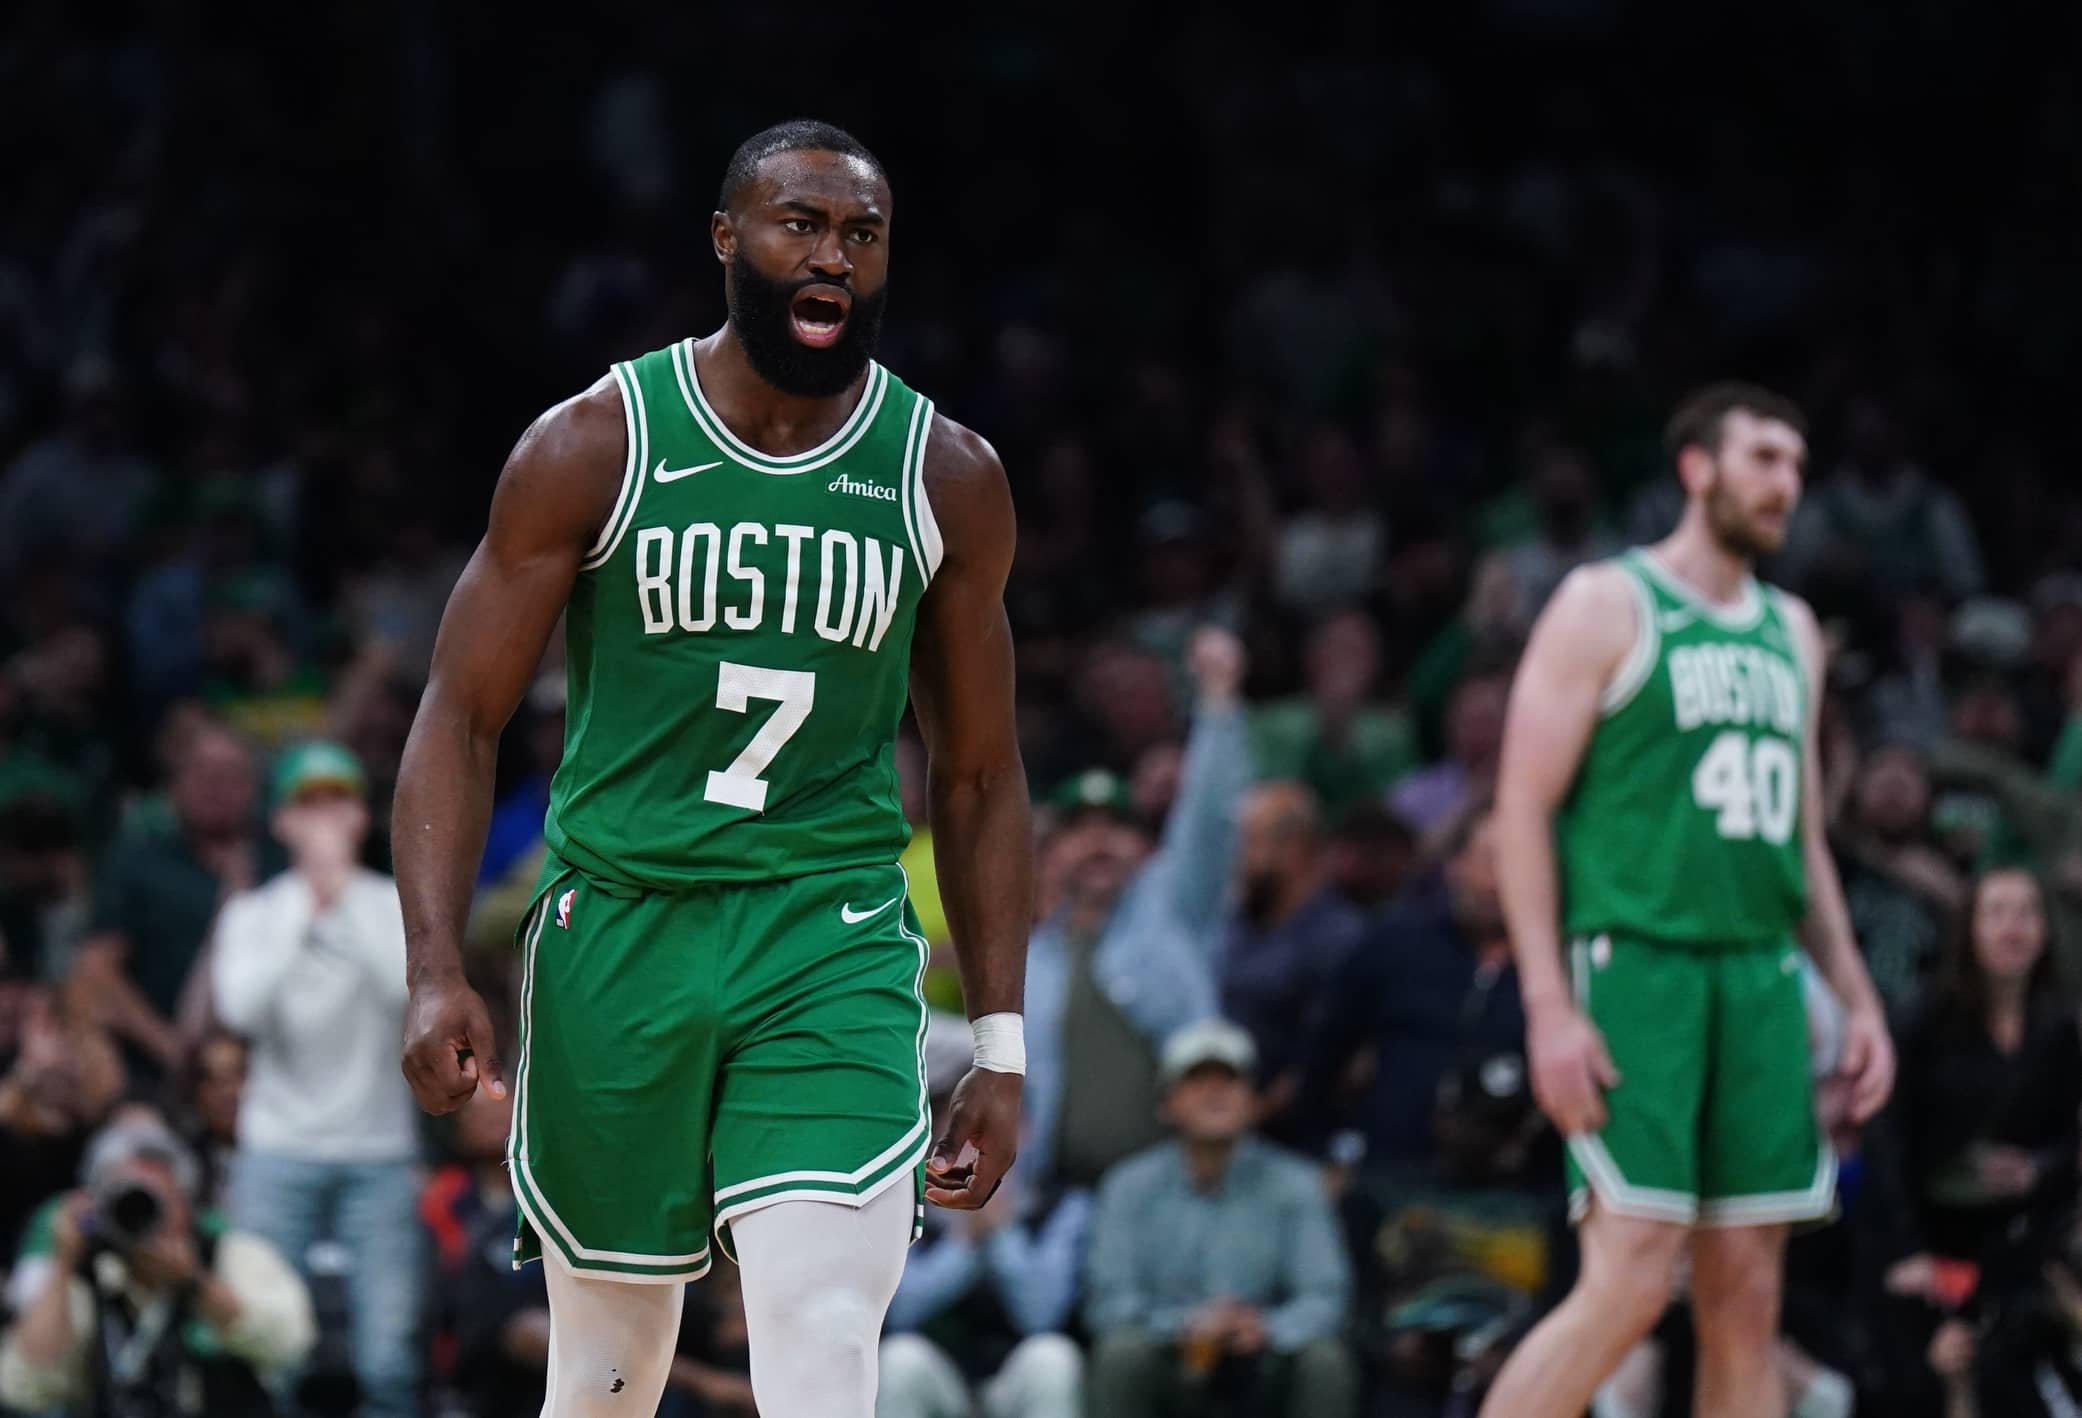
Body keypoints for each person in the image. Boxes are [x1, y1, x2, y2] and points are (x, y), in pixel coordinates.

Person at [393, 120, 1030, 1418]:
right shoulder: (593, 446)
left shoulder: (945, 475)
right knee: (607, 1381)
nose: (833, 257)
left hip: (825, 930)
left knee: (822, 1323)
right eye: (801, 223)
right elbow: (458, 719)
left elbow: (976, 775)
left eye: (862, 234)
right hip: (623, 927)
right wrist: (430, 964)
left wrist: (1006, 1045)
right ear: (727, 240)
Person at [1479, 383, 1896, 1418]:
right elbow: (1522, 810)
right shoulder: (1604, 603)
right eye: (1762, 456)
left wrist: (1855, 993)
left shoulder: (1794, 630)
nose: (1784, 483)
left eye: (1796, 464)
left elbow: (1802, 836)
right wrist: (1546, 1004)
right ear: (1696, 468)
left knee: (1748, 1298)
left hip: (1760, 971)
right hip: (1639, 963)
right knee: (1626, 1280)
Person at [213, 740, 424, 1418]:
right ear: (281, 822)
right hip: (276, 1149)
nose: (325, 818)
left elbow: (405, 994)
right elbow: (239, 1010)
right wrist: (308, 904)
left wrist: (342, 891)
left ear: (362, 815)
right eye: (309, 804)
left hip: (379, 1154)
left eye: (339, 800)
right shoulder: (254, 914)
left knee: (388, 1360)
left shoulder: (394, 903)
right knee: (267, 1347)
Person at [1023, 627, 1251, 1194]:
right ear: (1050, 853)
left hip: (1175, 1187)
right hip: (1060, 1194)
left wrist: (1218, 700)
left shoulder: (1172, 906)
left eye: (1116, 828)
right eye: (1079, 830)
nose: (1099, 843)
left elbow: (1211, 819)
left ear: (1142, 847)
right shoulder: (1029, 958)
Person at [1084, 1019, 1358, 1418]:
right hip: (1171, 1359)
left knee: (1325, 1360)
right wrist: (1186, 1325)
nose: (1215, 1091)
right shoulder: (1128, 1186)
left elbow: (1326, 1296)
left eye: (1229, 1080)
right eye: (1197, 1080)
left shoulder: (1298, 1183)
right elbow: (1108, 1302)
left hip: (1263, 1364)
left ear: (1252, 1099)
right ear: (1166, 1103)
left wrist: (1267, 1328)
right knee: (1121, 1353)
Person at [0, 1109, 315, 1417]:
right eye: (130, 1200)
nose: (144, 1217)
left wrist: (196, 1283)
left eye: (155, 1200)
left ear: (187, 1201)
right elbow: (23, 1388)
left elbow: (290, 1344)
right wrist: (64, 1262)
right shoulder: (91, 1275)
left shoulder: (233, 1255)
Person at [71, 719, 264, 1074]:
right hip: (157, 1067)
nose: (215, 787)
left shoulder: (284, 862)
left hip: (269, 1070)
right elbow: (96, 970)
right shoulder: (136, 861)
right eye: (201, 772)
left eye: (228, 774)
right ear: (174, 785)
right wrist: (169, 1046)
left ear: (253, 784)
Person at [1217, 779, 1369, 1148]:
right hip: (1229, 1129)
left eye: (1248, 842)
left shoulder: (1338, 938)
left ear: (1293, 847)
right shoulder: (1242, 922)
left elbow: (1328, 1060)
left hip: (1296, 1141)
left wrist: (1248, 1117)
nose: (1237, 858)